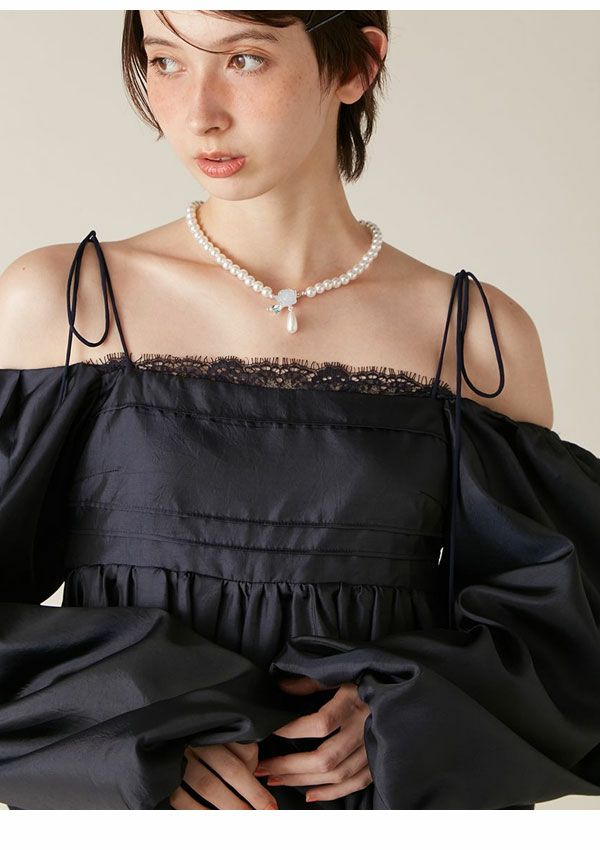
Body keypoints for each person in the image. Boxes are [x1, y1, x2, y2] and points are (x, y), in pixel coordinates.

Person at [0, 10, 599, 811]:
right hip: (135, 813)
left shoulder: (470, 337)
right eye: (166, 62)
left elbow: (563, 637)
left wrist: (414, 706)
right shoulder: (67, 303)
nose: (199, 112)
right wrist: (124, 727)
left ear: (356, 67)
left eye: (244, 59)